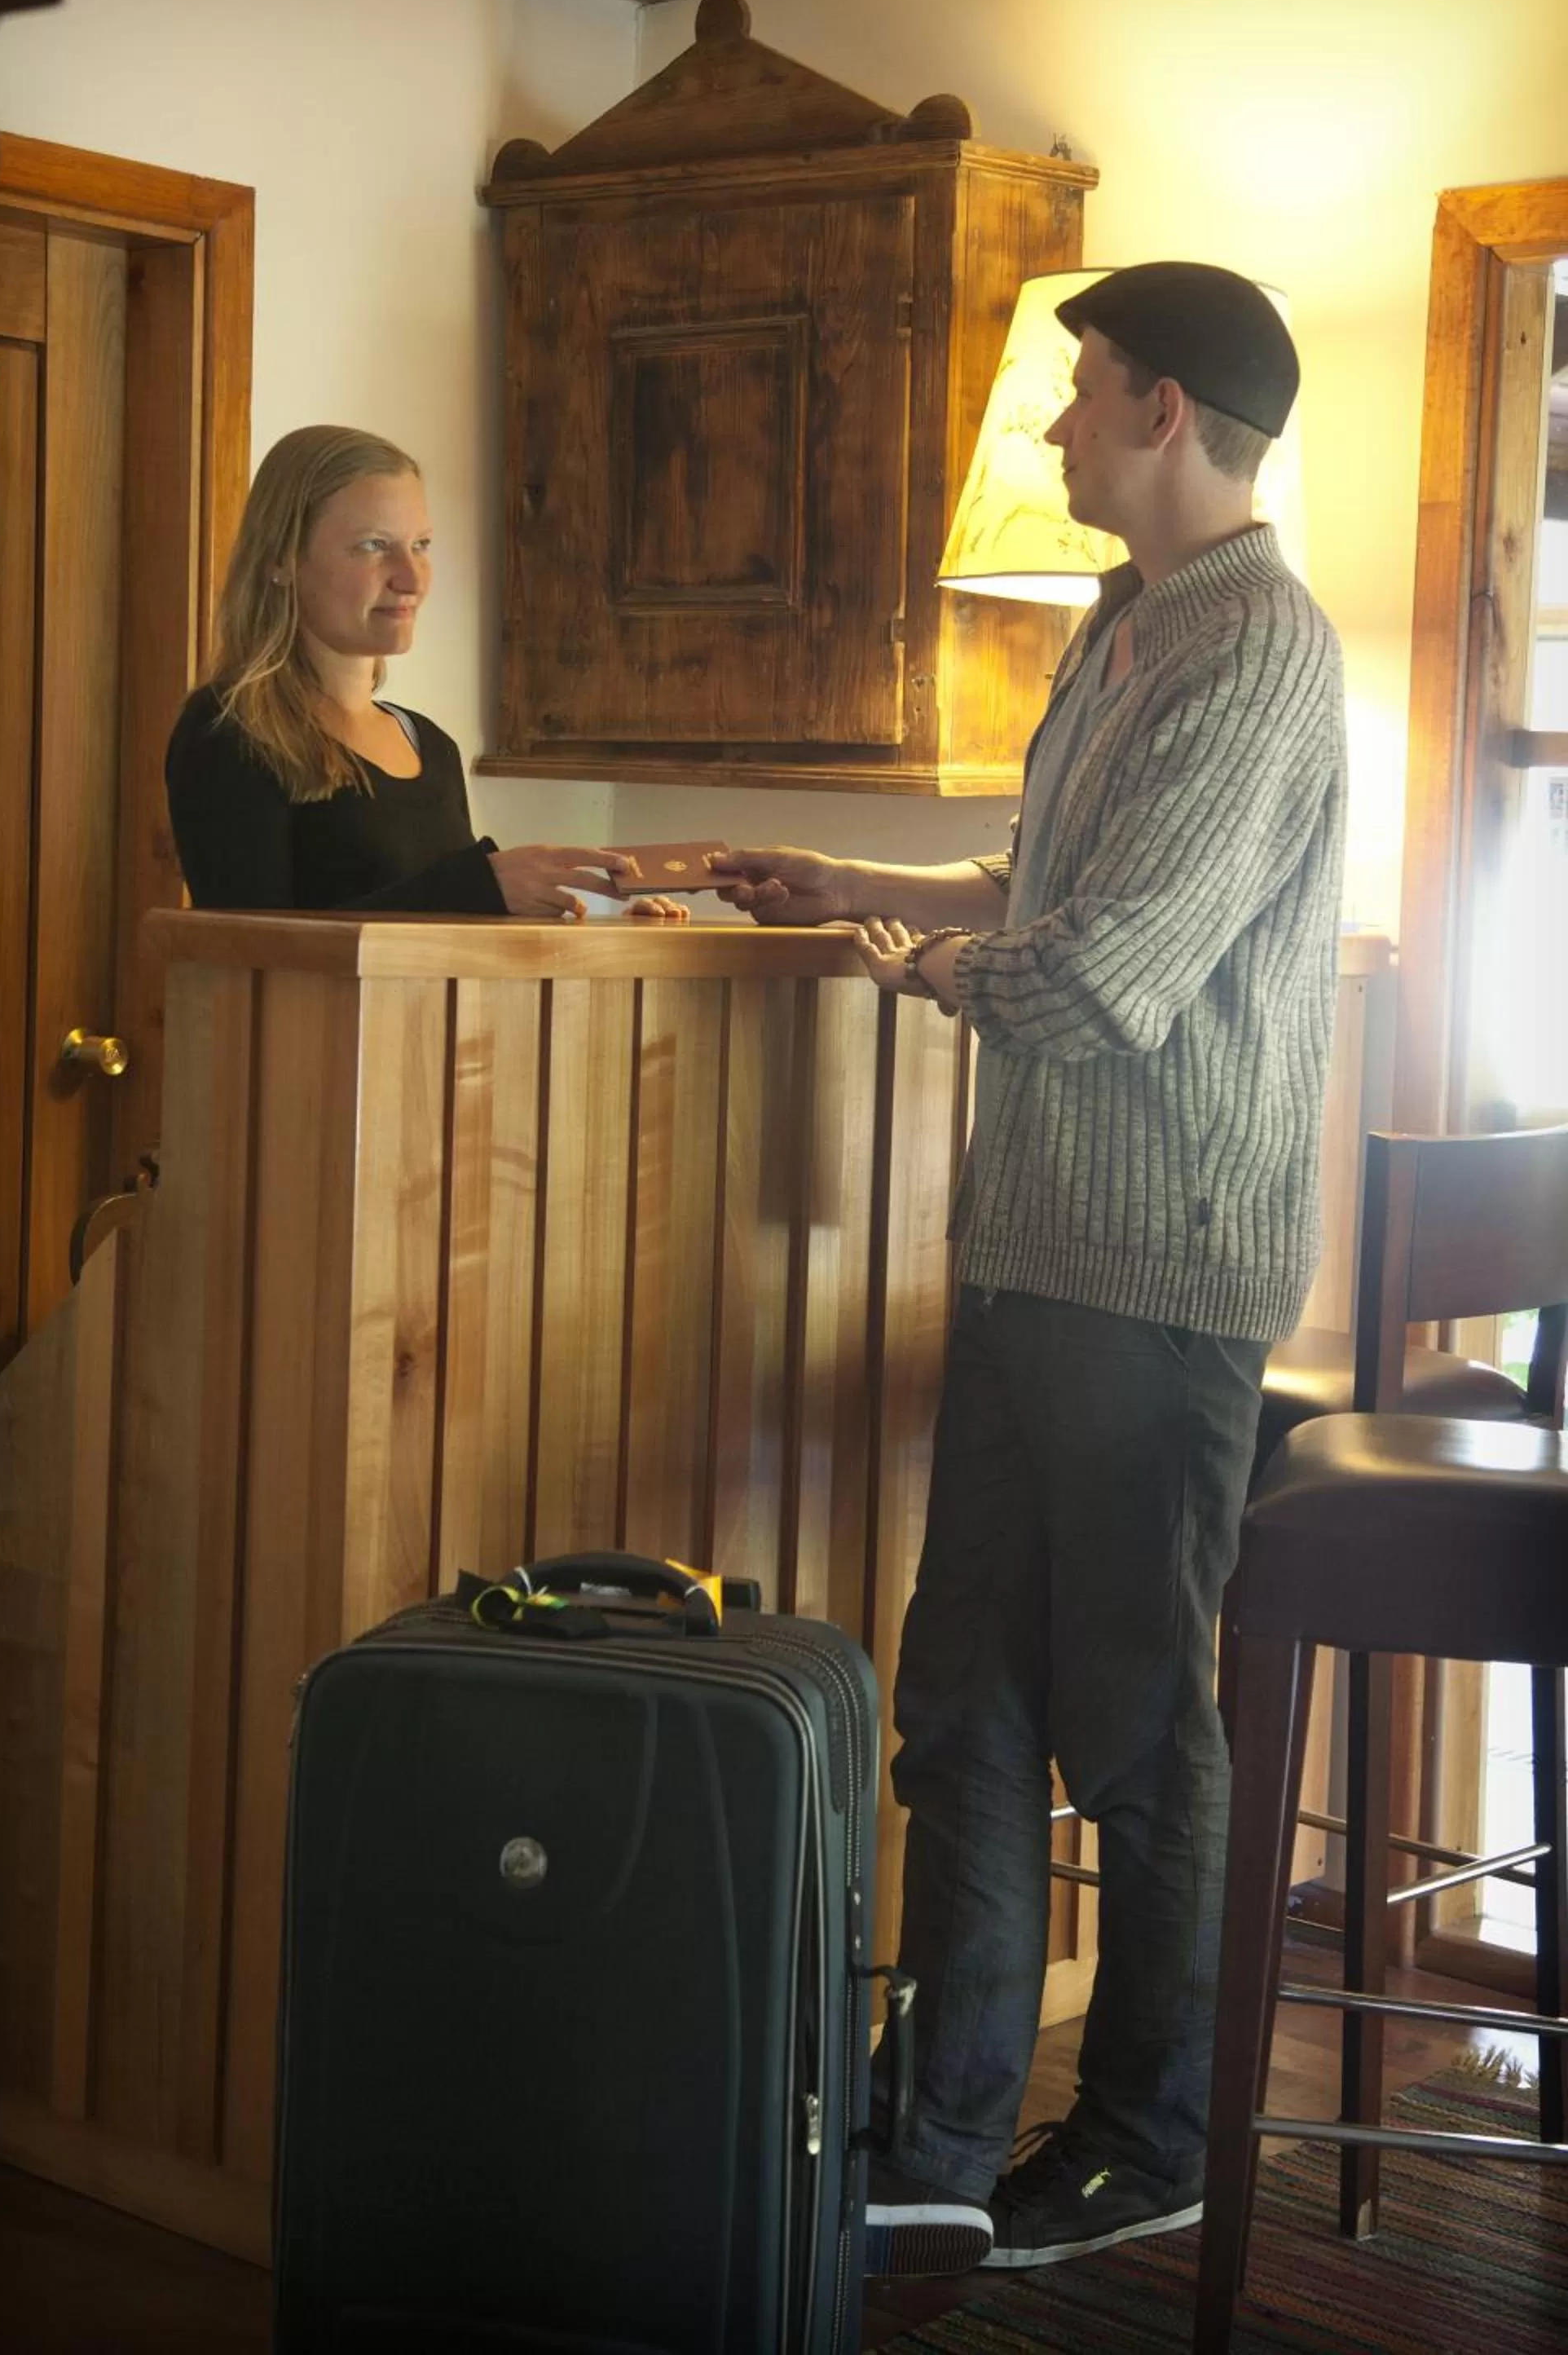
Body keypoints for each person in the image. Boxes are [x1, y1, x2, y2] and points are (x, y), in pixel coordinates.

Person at [716, 264, 1346, 2277]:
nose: (1053, 431)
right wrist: (859, 888)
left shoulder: (1255, 649)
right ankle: (938, 2132)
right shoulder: (1125, 626)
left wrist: (907, 972)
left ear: (1162, 413)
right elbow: (1034, 887)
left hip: (1152, 1280)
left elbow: (1101, 975)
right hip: (1027, 1256)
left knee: (1141, 1736)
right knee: (959, 1704)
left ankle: (1151, 2132)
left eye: (1076, 398)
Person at [165, 425, 678, 920]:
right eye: (373, 546)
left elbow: (453, 943)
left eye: (421, 545)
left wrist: (592, 918)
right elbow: (248, 951)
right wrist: (478, 887)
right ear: (281, 560)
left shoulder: (430, 744)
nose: (411, 578)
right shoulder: (230, 731)